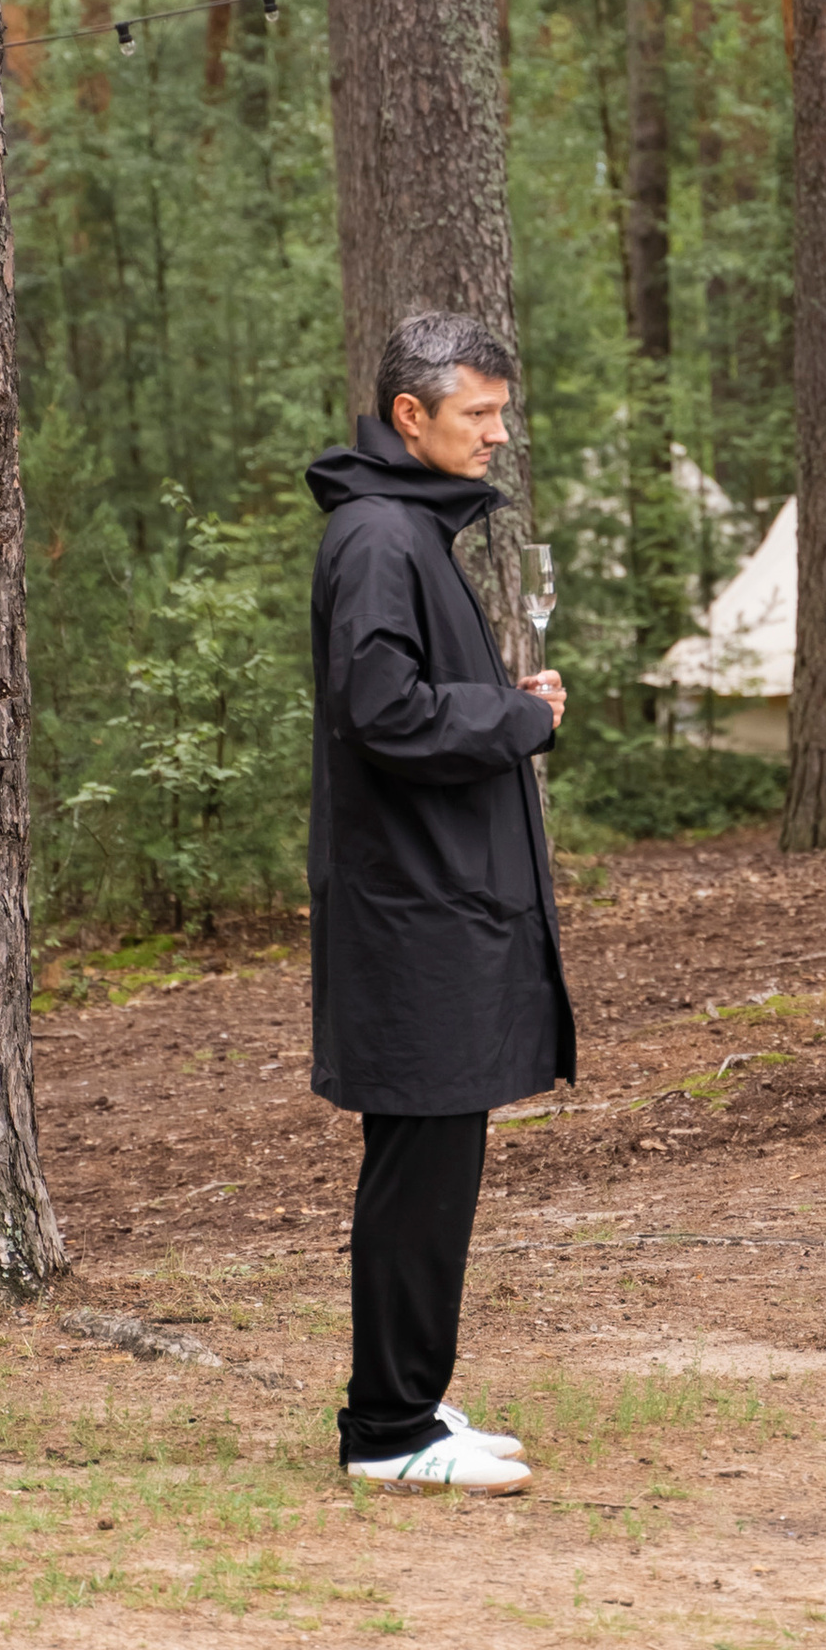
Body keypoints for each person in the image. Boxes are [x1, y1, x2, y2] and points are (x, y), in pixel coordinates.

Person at [306, 308, 576, 1492]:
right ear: (408, 415)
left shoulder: (408, 531)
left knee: (428, 1162)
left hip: (429, 901)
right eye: (478, 415)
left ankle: (403, 1396)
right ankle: (389, 1433)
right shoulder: (377, 536)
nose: (496, 436)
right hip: (412, 912)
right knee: (421, 1166)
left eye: (500, 413)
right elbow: (381, 711)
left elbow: (412, 692)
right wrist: (518, 719)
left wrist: (493, 693)